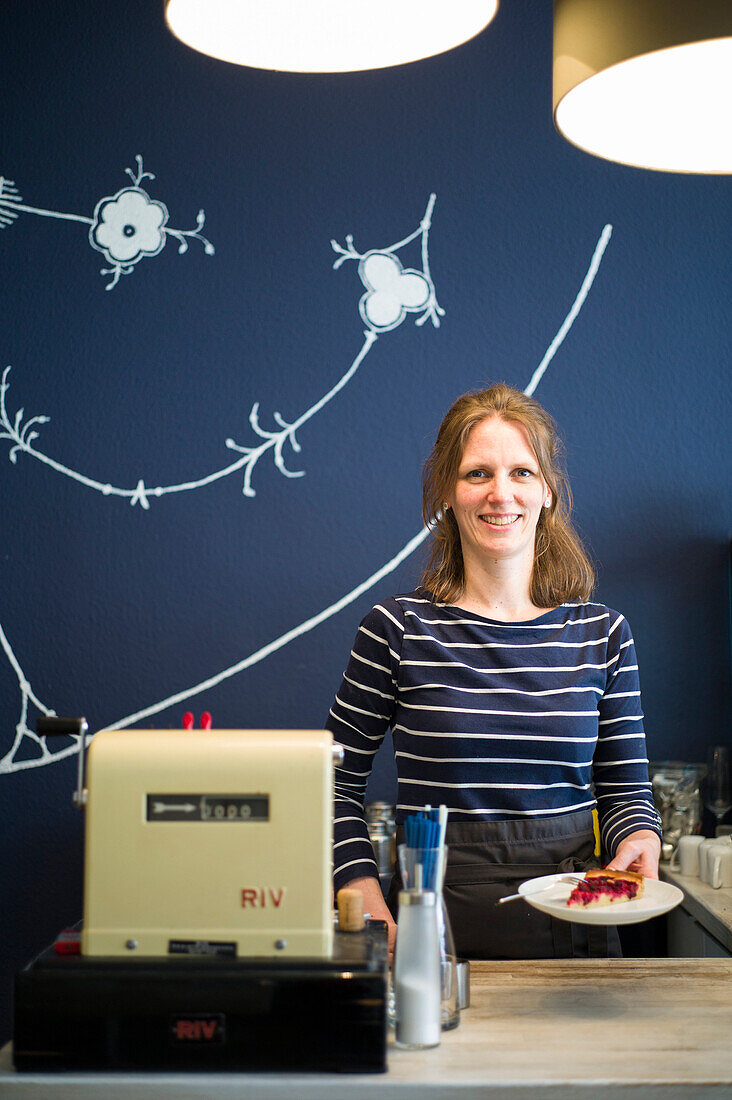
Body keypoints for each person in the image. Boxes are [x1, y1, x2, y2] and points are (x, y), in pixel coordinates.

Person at [327, 384, 662, 959]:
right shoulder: (396, 629)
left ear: (549, 492)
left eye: (522, 473)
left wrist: (639, 834)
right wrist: (365, 897)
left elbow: (626, 787)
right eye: (477, 473)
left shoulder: (603, 634)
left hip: (576, 924)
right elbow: (328, 784)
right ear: (447, 494)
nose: (499, 493)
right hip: (430, 928)